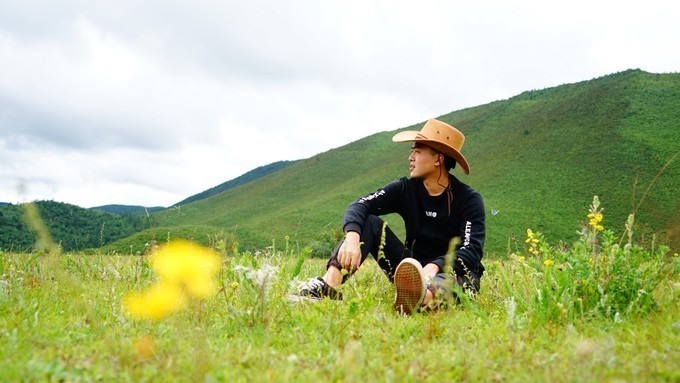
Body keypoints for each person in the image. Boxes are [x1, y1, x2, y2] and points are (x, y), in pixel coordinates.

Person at [295, 118, 486, 315]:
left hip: (453, 273)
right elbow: (359, 205)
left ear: (438, 159)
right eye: (412, 151)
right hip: (410, 270)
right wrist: (352, 238)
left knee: (446, 283)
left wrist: (435, 266)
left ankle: (420, 299)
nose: (410, 157)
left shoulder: (468, 199)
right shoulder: (406, 188)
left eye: (417, 152)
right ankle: (329, 287)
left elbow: (472, 250)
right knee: (369, 222)